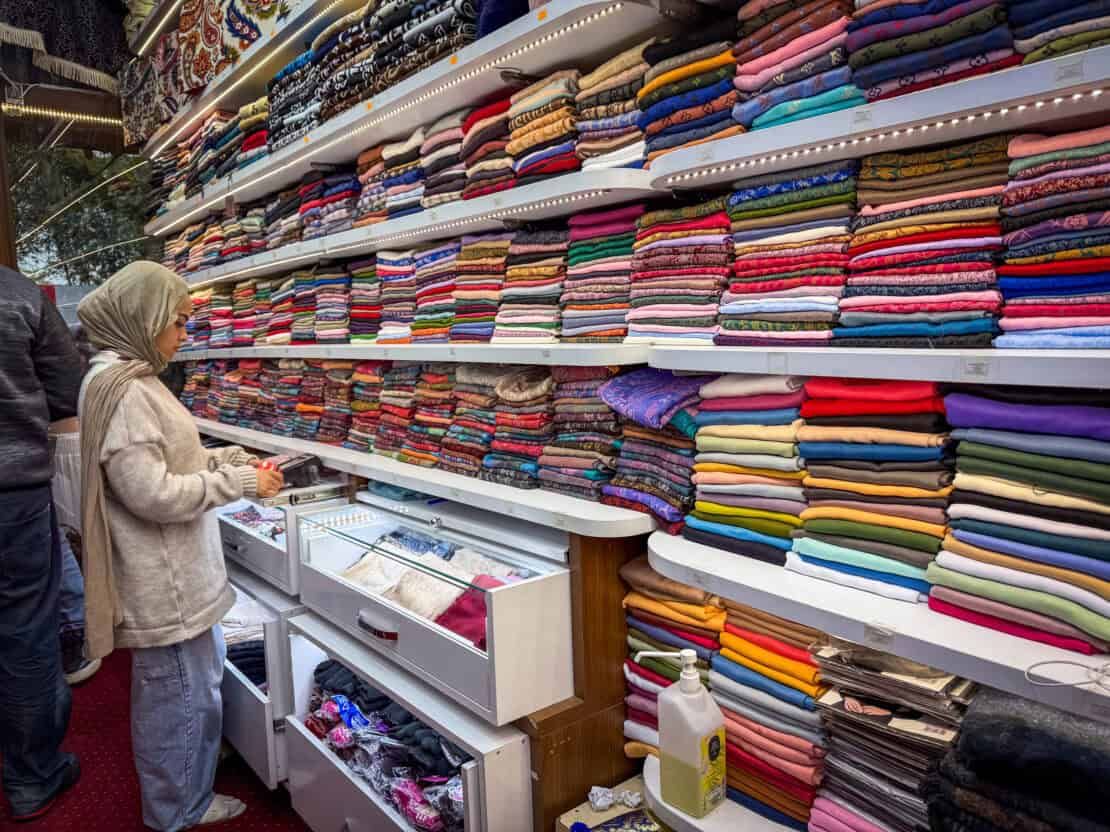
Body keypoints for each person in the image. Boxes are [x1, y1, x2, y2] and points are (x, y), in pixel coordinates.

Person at [77, 261, 283, 831]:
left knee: (186, 691)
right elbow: (150, 492)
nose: (183, 335)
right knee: (179, 701)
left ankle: (184, 784)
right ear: (145, 318)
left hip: (171, 574)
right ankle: (177, 811)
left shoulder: (128, 378)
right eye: (179, 322)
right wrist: (237, 484)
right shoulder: (124, 391)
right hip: (164, 583)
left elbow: (169, 460)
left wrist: (225, 459)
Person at [0, 266, 83, 822]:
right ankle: (32, 775)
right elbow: (67, 389)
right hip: (13, 492)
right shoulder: (16, 293)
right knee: (27, 627)